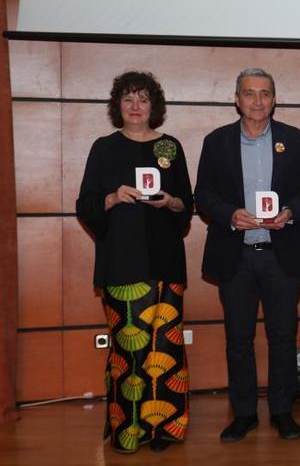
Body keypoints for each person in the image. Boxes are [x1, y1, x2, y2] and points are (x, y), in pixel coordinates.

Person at [194, 67, 300, 442]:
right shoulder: (216, 141)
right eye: (249, 93)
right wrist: (229, 215)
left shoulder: (295, 140)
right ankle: (244, 413)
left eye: (265, 93)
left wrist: (291, 213)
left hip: (280, 255)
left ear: (274, 99)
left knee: (283, 337)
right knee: (238, 339)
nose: (258, 100)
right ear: (237, 100)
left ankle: (282, 411)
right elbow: (204, 195)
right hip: (237, 256)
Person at [76, 71, 193, 453]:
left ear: (153, 106)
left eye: (143, 99)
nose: (136, 106)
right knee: (128, 351)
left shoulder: (171, 147)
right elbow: (86, 205)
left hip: (165, 263)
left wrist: (171, 201)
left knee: (166, 349)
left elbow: (186, 205)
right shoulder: (103, 148)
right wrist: (112, 198)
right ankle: (128, 430)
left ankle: (165, 429)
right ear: (118, 106)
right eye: (128, 99)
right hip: (122, 264)